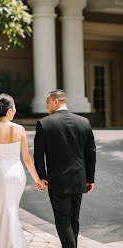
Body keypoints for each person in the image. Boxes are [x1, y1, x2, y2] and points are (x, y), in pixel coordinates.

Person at [0, 93, 47, 248]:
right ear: (9, 110)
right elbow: (27, 159)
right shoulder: (20, 129)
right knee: (12, 211)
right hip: (18, 174)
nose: (15, 111)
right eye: (14, 108)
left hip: (1, 174)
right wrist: (38, 180)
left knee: (4, 213)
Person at [34, 89, 96, 248]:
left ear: (56, 102)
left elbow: (39, 156)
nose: (47, 107)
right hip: (78, 180)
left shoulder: (44, 123)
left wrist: (42, 177)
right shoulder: (84, 122)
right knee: (73, 219)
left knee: (63, 219)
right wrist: (90, 179)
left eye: (48, 103)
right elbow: (91, 153)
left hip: (58, 181)